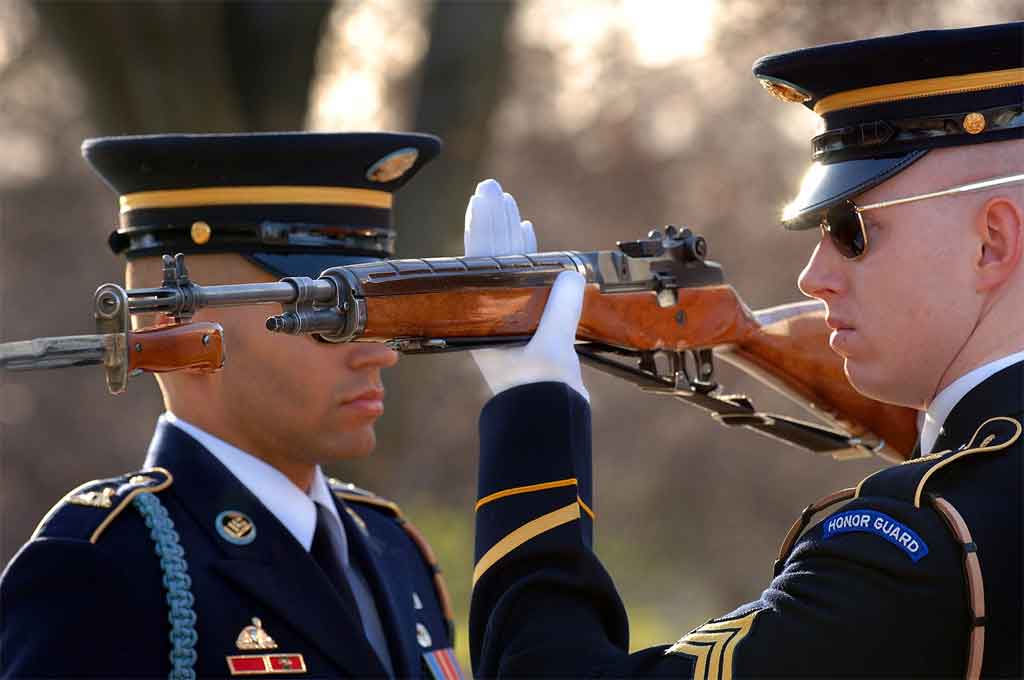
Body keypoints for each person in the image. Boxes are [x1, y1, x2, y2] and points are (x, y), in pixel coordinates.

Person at [464, 22, 1023, 678]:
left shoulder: (907, 549)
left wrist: (530, 407)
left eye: (852, 232)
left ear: (992, 241)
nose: (812, 277)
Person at [0, 133, 465, 679]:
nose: (379, 353)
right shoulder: (104, 567)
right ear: (180, 330)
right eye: (326, 317)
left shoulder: (389, 545)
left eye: (375, 318)